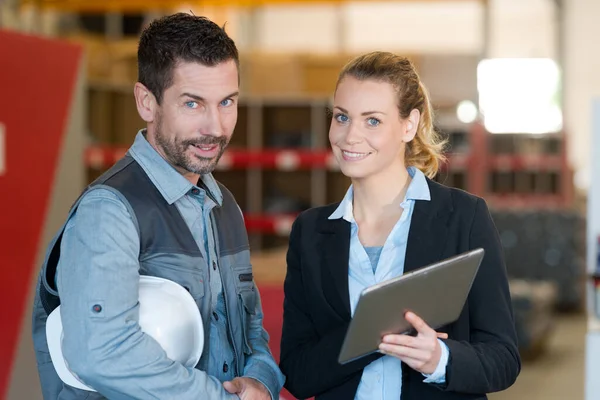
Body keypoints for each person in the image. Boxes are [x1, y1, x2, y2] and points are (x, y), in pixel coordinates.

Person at [31, 13, 284, 400]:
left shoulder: (223, 206)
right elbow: (101, 352)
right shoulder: (110, 212)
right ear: (146, 102)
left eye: (227, 102)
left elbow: (250, 332)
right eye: (193, 104)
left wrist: (261, 381)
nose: (215, 126)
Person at [279, 51, 521, 400]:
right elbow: (298, 373)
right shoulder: (311, 231)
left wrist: (442, 360)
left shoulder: (463, 217)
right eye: (342, 117)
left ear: (409, 125)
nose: (350, 136)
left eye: (372, 121)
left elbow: (503, 358)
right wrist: (376, 334)